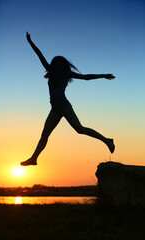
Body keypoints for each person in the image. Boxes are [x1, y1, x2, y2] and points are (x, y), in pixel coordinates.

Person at [21, 32, 115, 166]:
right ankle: (34, 158)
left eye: (60, 62)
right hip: (55, 108)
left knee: (80, 129)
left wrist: (103, 75)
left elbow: (86, 77)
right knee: (45, 134)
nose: (57, 63)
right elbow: (39, 54)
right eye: (56, 62)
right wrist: (30, 42)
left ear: (63, 64)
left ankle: (107, 140)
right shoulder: (50, 70)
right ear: (54, 64)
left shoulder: (67, 73)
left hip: (64, 106)